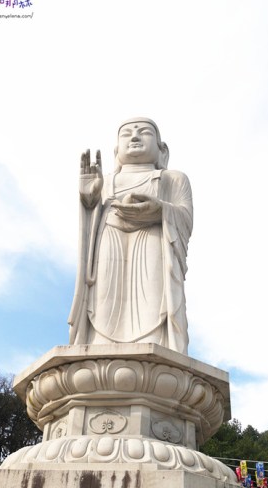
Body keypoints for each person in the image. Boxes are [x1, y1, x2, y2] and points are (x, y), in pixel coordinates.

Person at [68, 118, 193, 354]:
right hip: (110, 240)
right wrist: (89, 200)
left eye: (144, 132)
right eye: (126, 134)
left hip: (153, 240)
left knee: (153, 298)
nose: (134, 137)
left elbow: (185, 218)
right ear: (117, 150)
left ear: (161, 149)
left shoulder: (173, 178)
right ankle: (98, 344)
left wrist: (160, 210)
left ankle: (156, 344)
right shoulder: (105, 181)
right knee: (103, 300)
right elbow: (89, 226)